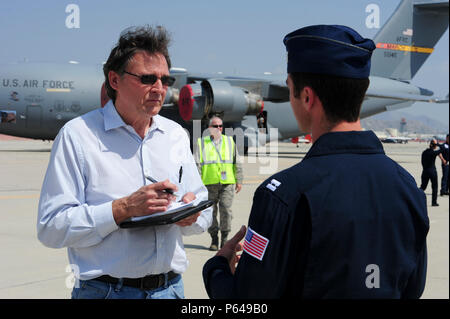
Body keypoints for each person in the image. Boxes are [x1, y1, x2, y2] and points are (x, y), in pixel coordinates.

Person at [202, 25, 429, 298]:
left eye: (290, 91)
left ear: (307, 97)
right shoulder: (408, 189)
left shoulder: (283, 194)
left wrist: (217, 269)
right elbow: (412, 288)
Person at [37, 25, 212, 299]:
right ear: (115, 80)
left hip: (171, 289)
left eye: (165, 80)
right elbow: (51, 228)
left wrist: (191, 214)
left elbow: (204, 209)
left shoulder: (175, 135)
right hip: (108, 291)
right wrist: (122, 209)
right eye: (147, 78)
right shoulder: (78, 136)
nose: (159, 89)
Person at [196, 116, 243, 250]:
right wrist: (198, 184)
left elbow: (236, 162)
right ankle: (214, 238)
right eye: (215, 126)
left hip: (227, 182)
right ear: (210, 128)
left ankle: (225, 238)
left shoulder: (229, 142)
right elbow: (197, 164)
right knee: (210, 212)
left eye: (221, 126)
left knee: (226, 210)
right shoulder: (202, 143)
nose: (218, 128)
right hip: (209, 183)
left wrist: (239, 180)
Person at [420, 138, 445, 206]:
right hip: (432, 172)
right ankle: (434, 202)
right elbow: (442, 148)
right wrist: (437, 143)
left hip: (425, 171)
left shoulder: (424, 152)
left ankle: (416, 197)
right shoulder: (433, 153)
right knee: (434, 187)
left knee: (423, 187)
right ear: (434, 146)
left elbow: (422, 162)